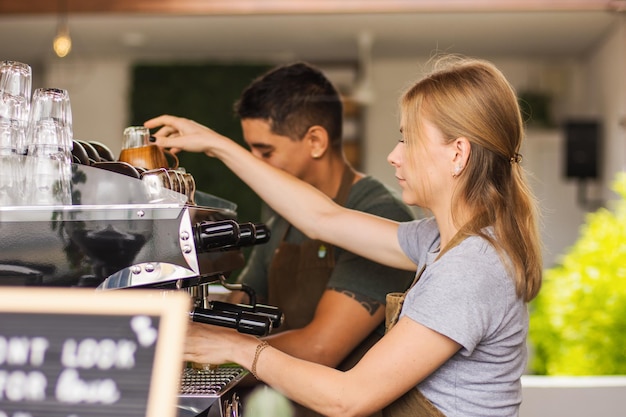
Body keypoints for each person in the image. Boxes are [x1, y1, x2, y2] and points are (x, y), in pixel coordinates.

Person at [145, 55, 543, 417]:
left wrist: (234, 347)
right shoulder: (440, 242)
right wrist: (217, 146)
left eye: (409, 139)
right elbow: (323, 218)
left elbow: (348, 397)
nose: (394, 155)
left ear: (458, 154)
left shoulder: (470, 268)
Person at [163, 62, 415, 416]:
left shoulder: (381, 214)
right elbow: (242, 298)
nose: (256, 164)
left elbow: (321, 348)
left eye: (265, 152)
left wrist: (223, 350)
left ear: (315, 141)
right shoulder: (280, 215)